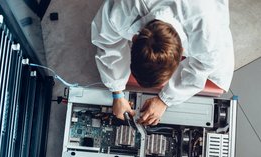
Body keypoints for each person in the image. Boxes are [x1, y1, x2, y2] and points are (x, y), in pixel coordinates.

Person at [91, 0, 234, 125]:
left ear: (182, 53)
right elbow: (107, 43)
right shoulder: (121, 9)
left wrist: (165, 100)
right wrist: (117, 92)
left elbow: (204, 66)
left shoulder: (208, 33)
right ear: (134, 40)